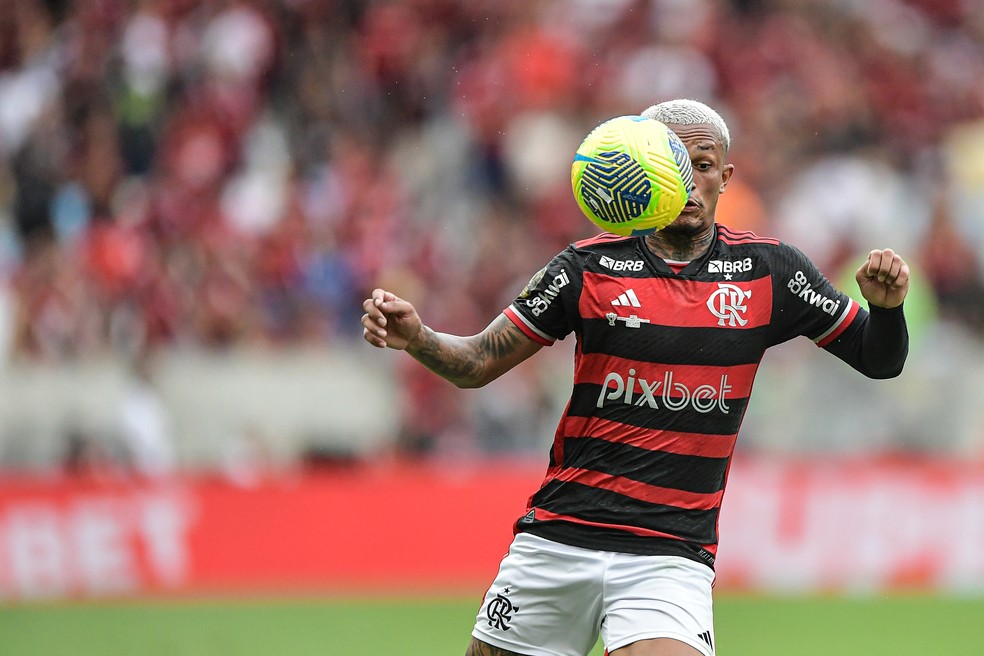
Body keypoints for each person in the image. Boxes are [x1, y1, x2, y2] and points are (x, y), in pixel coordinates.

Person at [361, 98, 909, 656]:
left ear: (725, 174)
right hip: (557, 539)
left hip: (670, 554)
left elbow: (878, 358)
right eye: (673, 162)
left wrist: (887, 311)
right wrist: (418, 337)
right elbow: (478, 362)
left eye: (703, 163)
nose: (689, 181)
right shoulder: (585, 267)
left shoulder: (772, 272)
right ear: (641, 169)